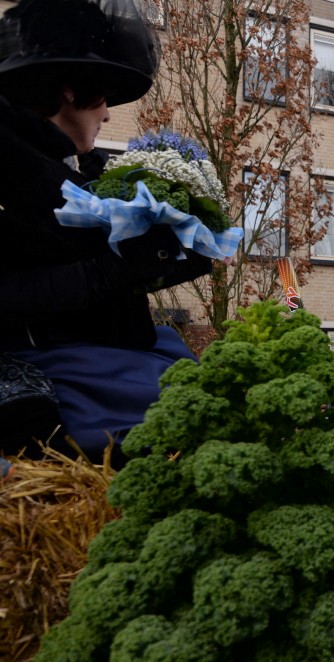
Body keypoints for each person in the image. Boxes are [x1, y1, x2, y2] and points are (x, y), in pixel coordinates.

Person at [0, 0, 217, 464]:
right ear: (67, 92)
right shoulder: (11, 169)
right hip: (67, 372)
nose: (108, 115)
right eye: (102, 97)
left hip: (118, 354)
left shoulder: (72, 169)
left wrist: (177, 249)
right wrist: (110, 271)